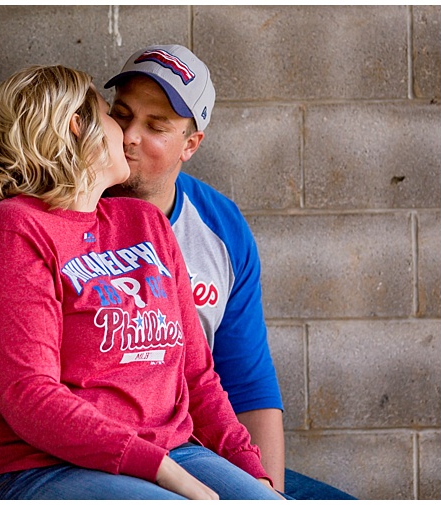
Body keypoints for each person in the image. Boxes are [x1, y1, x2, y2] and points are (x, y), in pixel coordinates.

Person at [0, 65, 282, 500]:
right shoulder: (13, 230)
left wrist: (254, 475)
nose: (127, 135)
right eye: (114, 115)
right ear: (79, 128)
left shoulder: (144, 222)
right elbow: (30, 396)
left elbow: (198, 374)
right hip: (43, 464)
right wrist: (163, 472)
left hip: (170, 451)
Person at [102, 44, 355, 500]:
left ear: (191, 146)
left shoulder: (220, 228)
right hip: (109, 453)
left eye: (156, 126)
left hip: (200, 450)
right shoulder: (68, 208)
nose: (129, 136)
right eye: (121, 115)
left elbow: (247, 384)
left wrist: (266, 488)